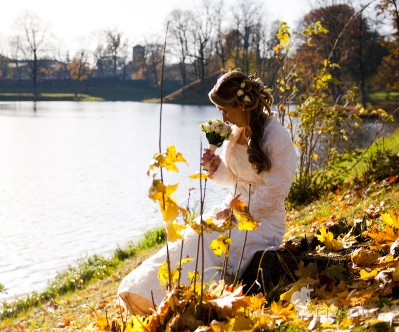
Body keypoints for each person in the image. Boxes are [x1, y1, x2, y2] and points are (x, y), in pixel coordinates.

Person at [117, 70, 298, 316]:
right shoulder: (237, 133)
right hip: (232, 208)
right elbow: (236, 179)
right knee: (193, 234)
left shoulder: (277, 137)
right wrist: (217, 168)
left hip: (263, 220)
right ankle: (152, 296)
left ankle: (193, 306)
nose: (223, 117)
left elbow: (276, 191)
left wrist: (240, 213)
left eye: (225, 110)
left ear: (243, 104)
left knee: (210, 241)